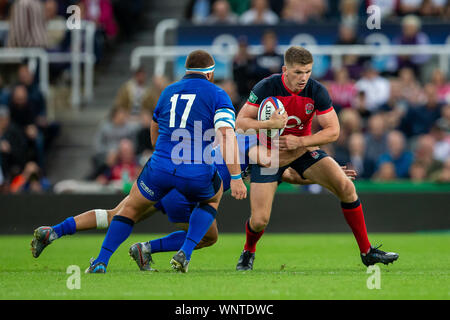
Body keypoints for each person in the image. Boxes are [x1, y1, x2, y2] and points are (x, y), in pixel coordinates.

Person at [31, 131, 357, 271]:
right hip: (195, 189)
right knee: (209, 235)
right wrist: (322, 176)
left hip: (168, 173)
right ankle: (155, 251)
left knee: (119, 213)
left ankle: (55, 231)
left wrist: (325, 176)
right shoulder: (258, 148)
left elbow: (286, 174)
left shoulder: (241, 138)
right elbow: (279, 169)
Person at [235, 45, 399, 271]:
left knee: (346, 187)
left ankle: (367, 251)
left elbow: (333, 130)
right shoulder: (267, 86)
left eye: (308, 72)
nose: (303, 78)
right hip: (267, 156)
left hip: (302, 151)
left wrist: (300, 142)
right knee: (259, 220)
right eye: (298, 72)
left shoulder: (316, 90)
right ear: (285, 69)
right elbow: (240, 123)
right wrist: (268, 124)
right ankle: (248, 251)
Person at [84, 50, 247, 273]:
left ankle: (101, 261)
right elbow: (227, 135)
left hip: (160, 165)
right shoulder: (218, 94)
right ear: (210, 74)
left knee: (130, 208)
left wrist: (158, 149)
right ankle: (185, 253)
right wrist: (236, 177)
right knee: (212, 198)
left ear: (186, 71)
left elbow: (154, 125)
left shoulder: (168, 91)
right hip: (195, 169)